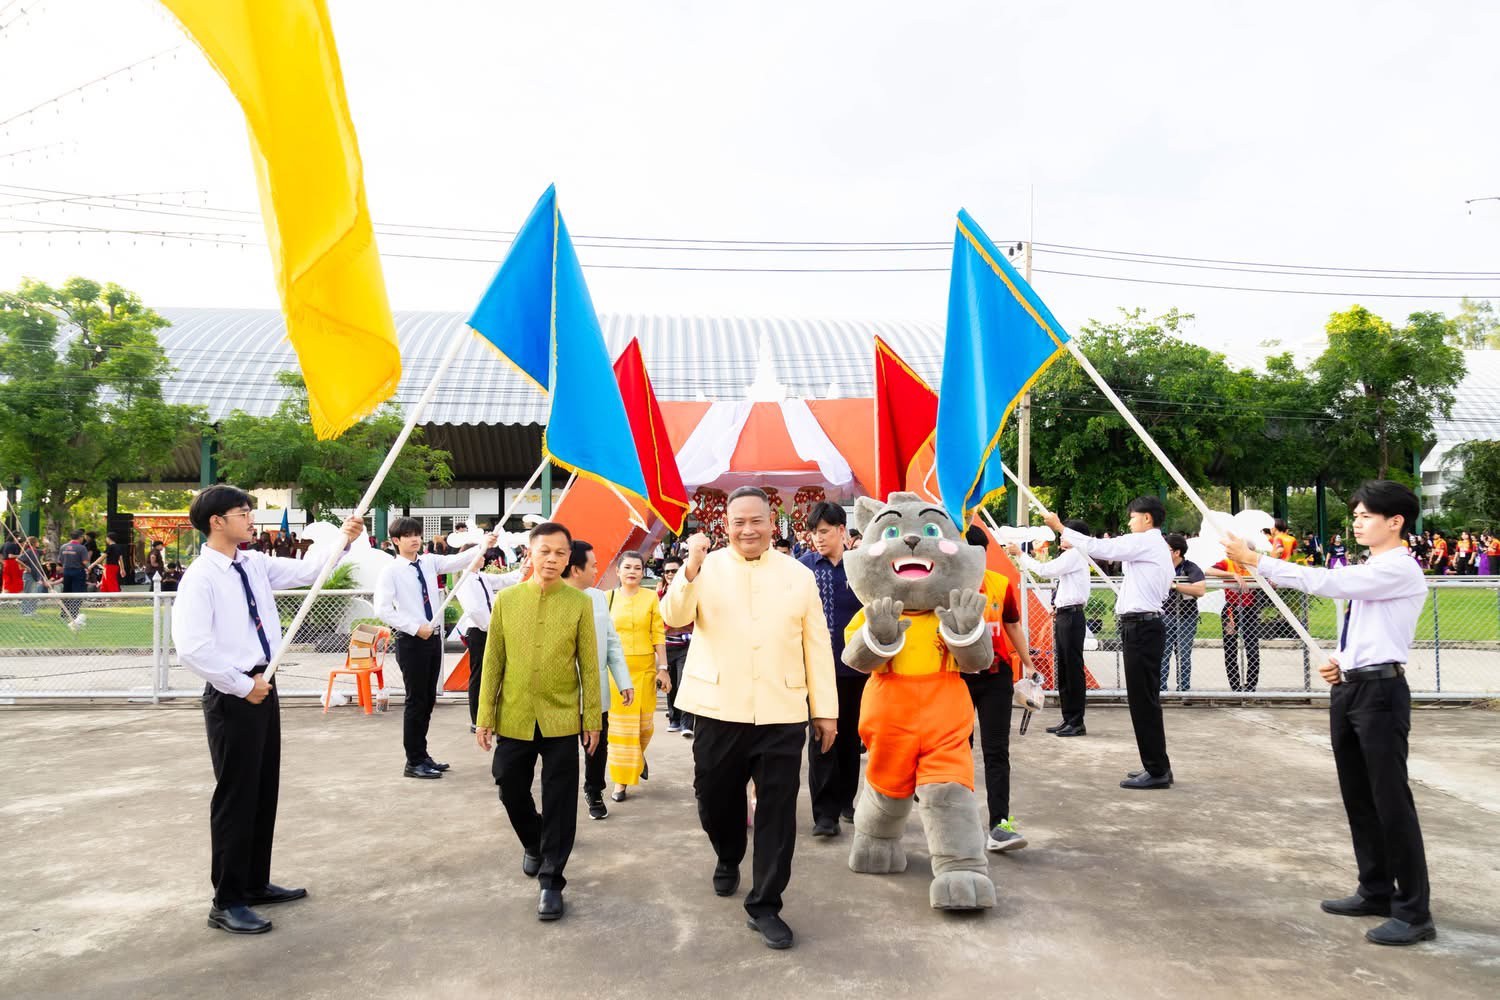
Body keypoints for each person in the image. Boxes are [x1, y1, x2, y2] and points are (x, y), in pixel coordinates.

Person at [1224, 481, 1435, 947]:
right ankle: (1375, 889)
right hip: (1351, 687)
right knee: (1359, 795)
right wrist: (1343, 659)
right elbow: (1366, 628)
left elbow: (1328, 583)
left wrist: (1257, 560)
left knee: (1390, 800)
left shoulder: (1400, 567)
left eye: (1366, 516)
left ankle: (1414, 911)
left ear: (1395, 522)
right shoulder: (1372, 567)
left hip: (1381, 694)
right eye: (1355, 515)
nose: (1357, 523)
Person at [171, 484, 363, 934]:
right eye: (243, 513)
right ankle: (227, 900)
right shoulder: (201, 577)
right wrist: (242, 686)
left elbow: (310, 570)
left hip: (263, 685)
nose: (250, 520)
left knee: (262, 789)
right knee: (237, 796)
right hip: (233, 694)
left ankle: (254, 882)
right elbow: (192, 648)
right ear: (217, 521)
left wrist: (345, 537)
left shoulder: (253, 563)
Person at [662, 486, 837, 950]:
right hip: (718, 707)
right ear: (726, 525)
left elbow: (816, 644)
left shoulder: (798, 575)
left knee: (778, 811)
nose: (747, 530)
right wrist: (690, 566)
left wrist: (825, 711)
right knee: (713, 798)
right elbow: (674, 616)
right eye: (738, 522)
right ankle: (727, 853)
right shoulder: (706, 567)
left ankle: (765, 905)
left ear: (772, 523)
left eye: (756, 520)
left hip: (782, 710)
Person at [475, 521, 601, 922]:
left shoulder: (579, 603)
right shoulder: (507, 600)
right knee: (509, 786)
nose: (552, 559)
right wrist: (485, 715)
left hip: (561, 717)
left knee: (560, 799)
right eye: (544, 551)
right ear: (529, 553)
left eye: (560, 553)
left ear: (568, 559)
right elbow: (492, 662)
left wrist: (592, 718)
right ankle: (534, 840)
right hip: (514, 714)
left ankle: (552, 881)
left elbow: (589, 666)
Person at [1043, 496, 1174, 790]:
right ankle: (1157, 764)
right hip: (1141, 626)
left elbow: (1104, 548)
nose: (1129, 522)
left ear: (1147, 518)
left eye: (1133, 517)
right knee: (1144, 700)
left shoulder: (1146, 541)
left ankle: (1156, 769)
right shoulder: (1151, 545)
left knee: (1143, 701)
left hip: (1142, 627)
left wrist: (1061, 528)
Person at [374, 516, 491, 780]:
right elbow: (382, 609)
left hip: (433, 639)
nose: (415, 539)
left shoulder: (428, 561)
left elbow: (458, 561)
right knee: (416, 701)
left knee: (428, 699)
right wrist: (414, 627)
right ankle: (413, 761)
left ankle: (422, 755)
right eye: (408, 536)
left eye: (417, 534)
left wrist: (484, 544)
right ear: (396, 541)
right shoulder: (391, 571)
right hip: (412, 641)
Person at [963, 525, 1035, 852]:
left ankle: (999, 825)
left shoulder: (1000, 584)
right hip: (958, 678)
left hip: (995, 677)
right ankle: (959, 822)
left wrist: (1028, 664)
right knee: (958, 749)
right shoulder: (944, 586)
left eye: (978, 553)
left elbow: (1013, 625)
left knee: (996, 752)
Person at [797, 501, 865, 837]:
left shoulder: (861, 569)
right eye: (814, 533)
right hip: (817, 672)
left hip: (856, 669)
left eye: (824, 531)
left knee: (851, 739)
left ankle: (846, 802)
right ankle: (824, 815)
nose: (818, 538)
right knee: (821, 739)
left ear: (841, 531)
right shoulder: (803, 569)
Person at [562, 539, 634, 820]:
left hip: (595, 690)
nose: (597, 570)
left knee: (596, 745)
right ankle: (562, 801)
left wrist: (623, 680)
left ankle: (594, 791)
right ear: (575, 569)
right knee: (562, 752)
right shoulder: (549, 598)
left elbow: (611, 641)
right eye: (592, 565)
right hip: (561, 693)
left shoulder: (597, 598)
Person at [1010, 519, 1092, 736]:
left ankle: (1076, 720)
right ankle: (1069, 718)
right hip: (1065, 614)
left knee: (1072, 668)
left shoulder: (1074, 554)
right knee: (1064, 667)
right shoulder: (1071, 556)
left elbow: (1045, 570)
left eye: (1066, 533)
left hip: (1072, 616)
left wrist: (1021, 555)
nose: (1061, 537)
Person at [605, 550, 669, 802]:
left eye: (638, 568)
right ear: (618, 571)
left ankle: (637, 757)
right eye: (628, 567)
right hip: (616, 673)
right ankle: (620, 781)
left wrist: (663, 668)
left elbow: (658, 634)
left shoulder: (651, 597)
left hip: (645, 670)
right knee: (621, 729)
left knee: (644, 726)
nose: (632, 572)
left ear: (644, 572)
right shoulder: (607, 598)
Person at [456, 547, 524, 732]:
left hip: (487, 629)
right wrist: (490, 627)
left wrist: (522, 569)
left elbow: (503, 580)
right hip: (479, 630)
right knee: (479, 675)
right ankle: (477, 719)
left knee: (489, 673)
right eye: (480, 555)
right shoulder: (466, 580)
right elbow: (474, 609)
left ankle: (487, 717)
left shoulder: (481, 576)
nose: (483, 558)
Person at [1207, 553, 1261, 692]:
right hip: (1231, 609)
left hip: (1250, 610)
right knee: (1230, 650)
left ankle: (1251, 687)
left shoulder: (1254, 564)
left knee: (1253, 650)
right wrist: (1232, 575)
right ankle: (1235, 687)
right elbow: (1208, 570)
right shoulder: (1227, 563)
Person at [1159, 533, 1206, 692]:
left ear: (1177, 552)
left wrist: (1175, 586)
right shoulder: (1160, 567)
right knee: (1162, 655)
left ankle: (1184, 690)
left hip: (1186, 618)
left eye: (1166, 549)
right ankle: (1161, 690)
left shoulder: (1190, 568)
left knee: (1183, 655)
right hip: (1164, 617)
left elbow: (1200, 590)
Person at [659, 557, 695, 736]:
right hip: (667, 646)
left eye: (674, 571)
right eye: (667, 571)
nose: (670, 574)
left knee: (684, 683)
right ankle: (674, 719)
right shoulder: (659, 593)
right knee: (670, 684)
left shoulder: (690, 589)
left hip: (686, 645)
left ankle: (687, 723)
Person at [57, 529, 90, 620]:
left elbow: (60, 562)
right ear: (80, 537)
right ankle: (74, 613)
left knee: (66, 592)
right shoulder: (81, 548)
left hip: (66, 572)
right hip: (78, 572)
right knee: (77, 593)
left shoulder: (63, 547)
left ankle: (64, 613)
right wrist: (88, 568)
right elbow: (85, 562)